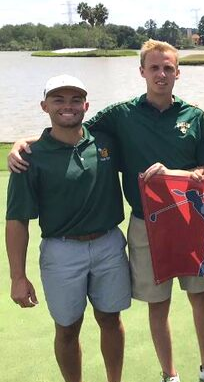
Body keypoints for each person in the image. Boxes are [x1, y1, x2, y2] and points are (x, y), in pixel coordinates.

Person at [7, 39, 204, 382]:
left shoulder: (195, 115)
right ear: (142, 71)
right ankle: (170, 374)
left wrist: (177, 174)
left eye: (167, 68)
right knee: (156, 304)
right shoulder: (120, 115)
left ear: (178, 73)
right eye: (154, 68)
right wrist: (26, 142)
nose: (161, 74)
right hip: (146, 223)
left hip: (192, 221)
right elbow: (70, 128)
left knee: (198, 298)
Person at [5, 75, 130, 382]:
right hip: (61, 251)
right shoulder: (29, 157)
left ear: (86, 106)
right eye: (58, 100)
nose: (68, 106)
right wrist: (18, 276)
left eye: (75, 100)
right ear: (44, 106)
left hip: (109, 244)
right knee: (67, 328)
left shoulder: (105, 141)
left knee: (110, 319)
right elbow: (17, 220)